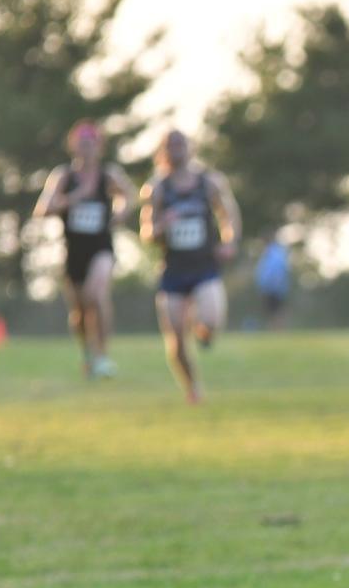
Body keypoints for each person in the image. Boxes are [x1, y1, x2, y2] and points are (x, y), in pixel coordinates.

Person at [139, 130, 242, 404]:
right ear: (162, 152)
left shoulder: (209, 182)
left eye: (180, 144)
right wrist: (163, 224)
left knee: (210, 321)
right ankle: (192, 388)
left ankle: (203, 330)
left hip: (204, 266)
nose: (176, 150)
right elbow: (146, 232)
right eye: (170, 145)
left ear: (190, 148)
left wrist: (229, 242)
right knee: (175, 337)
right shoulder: (157, 188)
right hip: (172, 270)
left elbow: (228, 214)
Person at [32, 121, 137, 378]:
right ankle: (88, 354)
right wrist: (75, 198)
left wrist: (121, 212)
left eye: (91, 144)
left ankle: (102, 354)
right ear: (73, 146)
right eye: (82, 144)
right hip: (73, 251)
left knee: (96, 294)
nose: (87, 149)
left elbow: (130, 195)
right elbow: (42, 210)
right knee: (79, 312)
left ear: (99, 147)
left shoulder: (108, 175)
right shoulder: (63, 176)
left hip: (101, 247)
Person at [254, 233, 292, 329]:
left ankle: (278, 329)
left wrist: (276, 284)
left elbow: (281, 270)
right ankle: (274, 329)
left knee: (277, 310)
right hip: (268, 288)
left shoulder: (276, 253)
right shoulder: (267, 253)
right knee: (270, 311)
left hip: (276, 287)